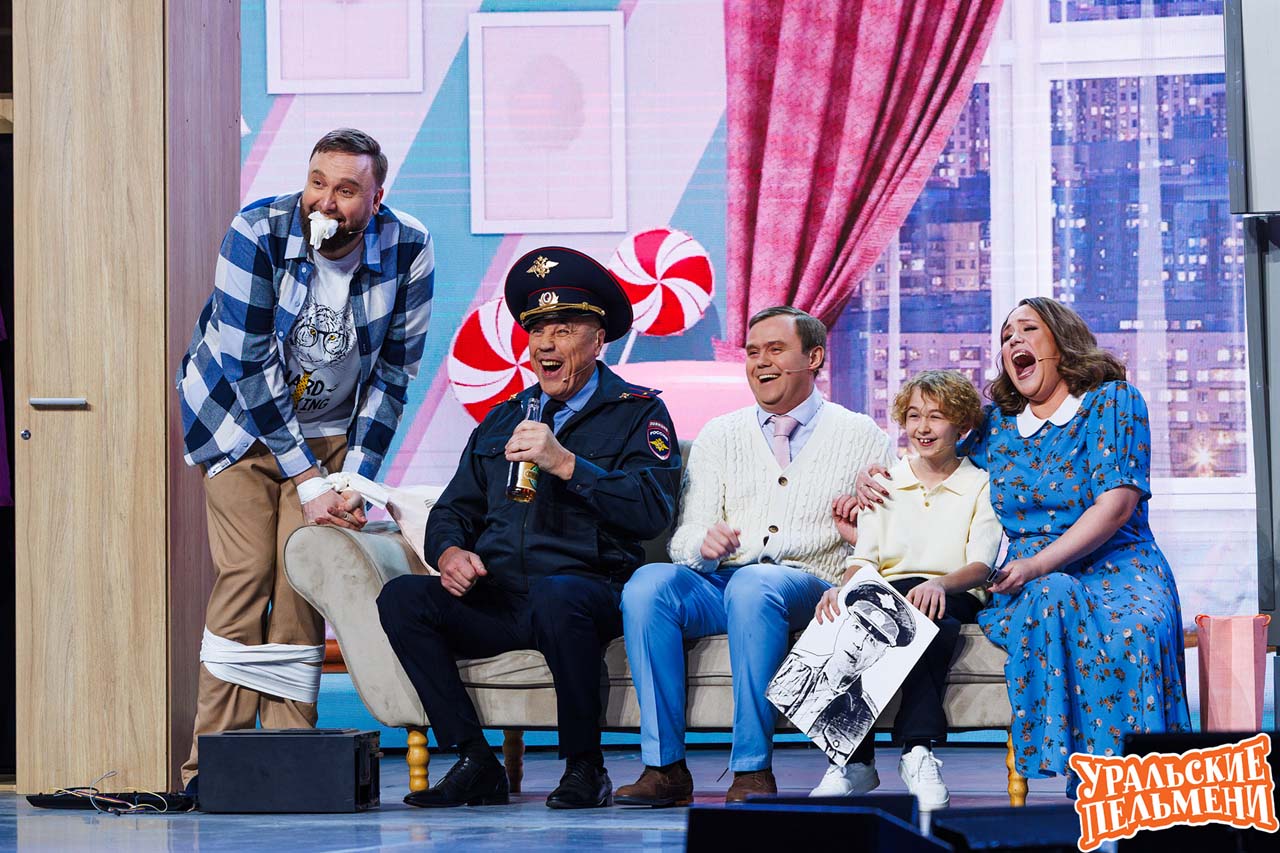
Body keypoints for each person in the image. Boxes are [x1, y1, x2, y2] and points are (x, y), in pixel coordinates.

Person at [175, 128, 434, 792]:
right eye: (317, 182)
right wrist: (306, 478)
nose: (325, 200)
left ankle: (289, 763)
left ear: (376, 198)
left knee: (301, 580)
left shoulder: (409, 246)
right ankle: (213, 768)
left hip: (332, 435)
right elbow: (247, 364)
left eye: (346, 190)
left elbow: (393, 377)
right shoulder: (257, 232)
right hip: (238, 423)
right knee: (247, 573)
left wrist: (352, 479)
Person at [377, 247, 682, 810]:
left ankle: (585, 767)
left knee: (557, 594)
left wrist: (567, 464)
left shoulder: (637, 413)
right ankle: (475, 760)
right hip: (502, 596)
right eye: (537, 330)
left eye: (563, 330)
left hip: (585, 593)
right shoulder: (505, 417)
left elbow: (650, 510)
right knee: (403, 599)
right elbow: (453, 509)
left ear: (598, 339)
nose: (545, 344)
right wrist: (448, 552)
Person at [859, 297, 1191, 793]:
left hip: (1120, 564)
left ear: (1061, 340)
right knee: (1052, 595)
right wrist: (871, 479)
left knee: (1135, 629)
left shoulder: (1113, 401)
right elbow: (938, 462)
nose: (1013, 340)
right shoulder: (997, 425)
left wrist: (1037, 564)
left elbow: (1116, 505)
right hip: (1032, 581)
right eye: (1005, 336)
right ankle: (1091, 780)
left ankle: (1134, 787)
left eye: (1027, 329)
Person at [615, 306, 897, 806]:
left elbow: (886, 534)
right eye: (752, 352)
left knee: (754, 585)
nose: (760, 362)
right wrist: (703, 545)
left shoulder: (862, 435)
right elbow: (685, 537)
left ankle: (752, 768)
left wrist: (858, 536)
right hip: (721, 580)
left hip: (809, 582)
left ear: (814, 357)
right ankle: (664, 768)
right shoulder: (720, 434)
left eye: (775, 350)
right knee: (647, 585)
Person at [810, 369, 1001, 808]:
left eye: (936, 416)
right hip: (890, 595)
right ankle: (858, 762)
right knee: (866, 616)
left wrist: (939, 583)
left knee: (923, 614)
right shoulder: (885, 483)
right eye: (914, 416)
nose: (923, 427)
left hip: (953, 592)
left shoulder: (980, 484)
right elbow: (864, 560)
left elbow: (981, 565)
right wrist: (841, 590)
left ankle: (910, 753)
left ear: (961, 424)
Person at [771, 582, 917, 764]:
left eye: (872, 641)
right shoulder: (792, 668)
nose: (858, 644)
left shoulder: (864, 716)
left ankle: (854, 768)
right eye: (856, 628)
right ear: (844, 625)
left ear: (880, 654)